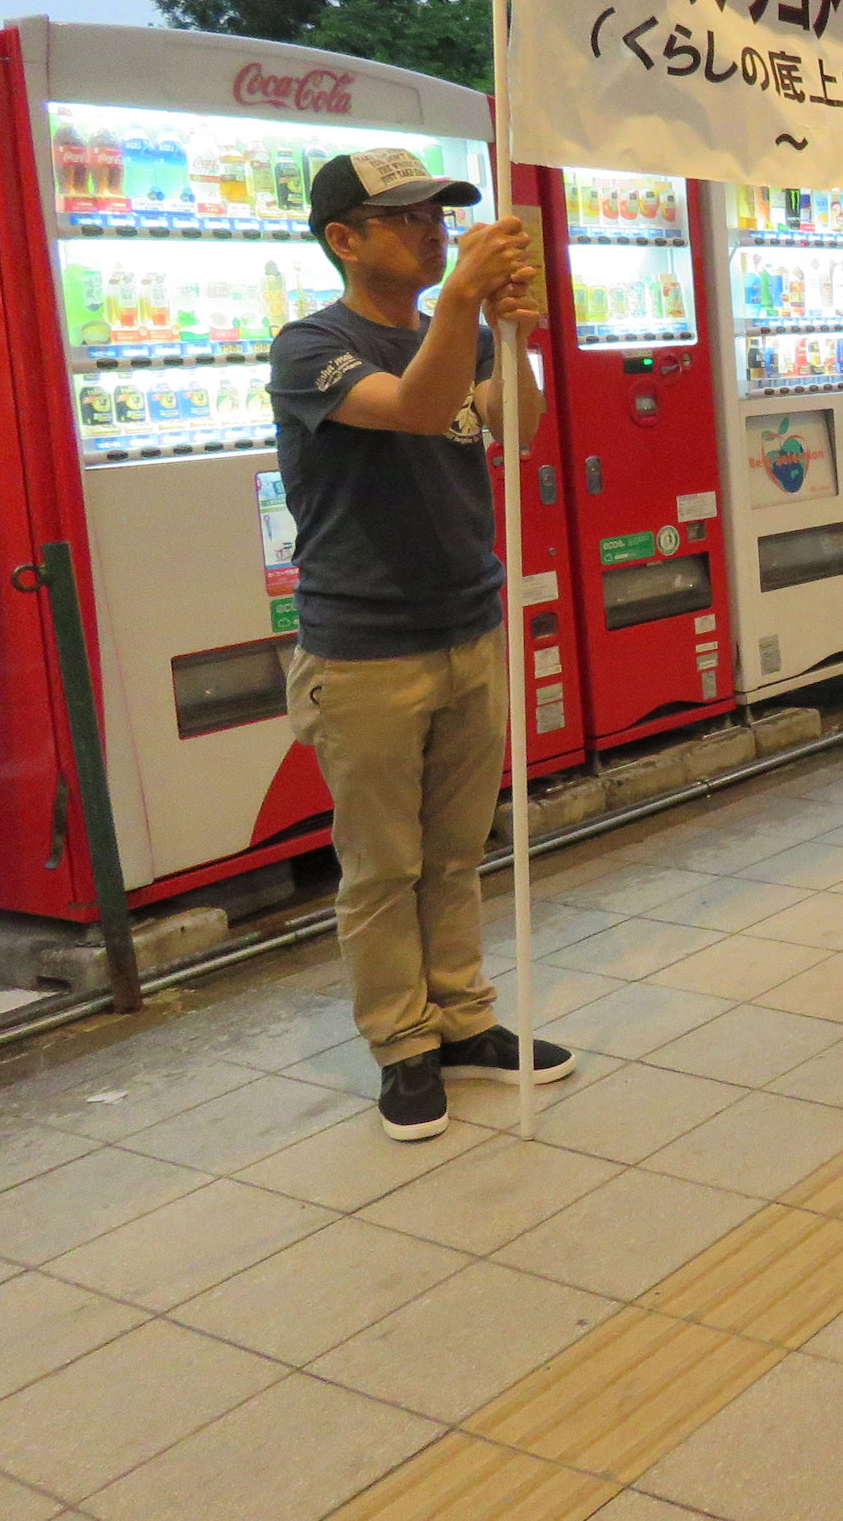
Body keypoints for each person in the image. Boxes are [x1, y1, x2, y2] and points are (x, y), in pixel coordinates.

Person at [271, 148, 569, 1143]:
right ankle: (402, 1045)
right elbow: (414, 410)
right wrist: (464, 311)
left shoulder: (460, 331)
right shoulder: (311, 343)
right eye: (406, 218)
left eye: (439, 213)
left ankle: (464, 1017)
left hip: (466, 625)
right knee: (380, 865)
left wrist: (511, 330)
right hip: (363, 649)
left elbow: (510, 425)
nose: (434, 229)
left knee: (454, 853)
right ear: (344, 239)